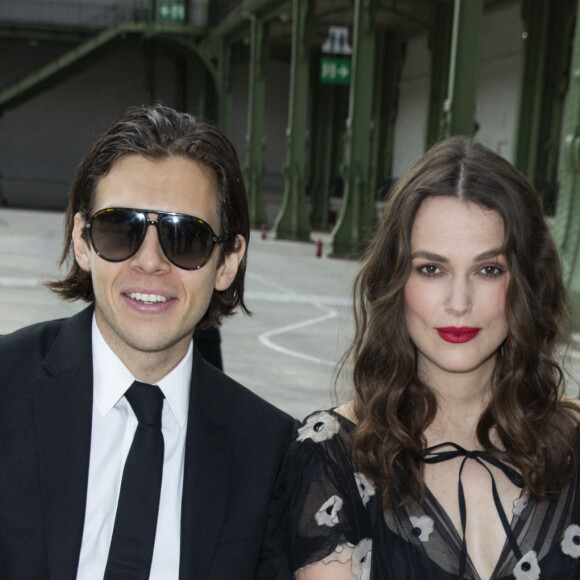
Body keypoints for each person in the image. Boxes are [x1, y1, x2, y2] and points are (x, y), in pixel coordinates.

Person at [0, 104, 295, 579]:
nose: (151, 261)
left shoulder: (271, 452)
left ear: (228, 262)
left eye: (186, 238)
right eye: (121, 229)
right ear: (82, 240)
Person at [285, 136, 580, 579]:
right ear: (395, 280)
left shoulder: (574, 446)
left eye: (488, 270)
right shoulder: (332, 457)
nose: (458, 302)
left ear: (526, 282)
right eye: (431, 269)